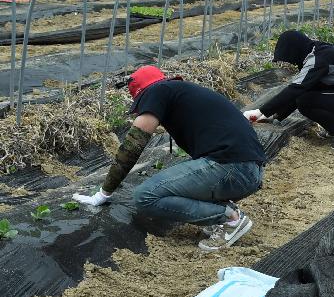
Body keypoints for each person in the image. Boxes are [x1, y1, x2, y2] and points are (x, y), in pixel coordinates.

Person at [73, 65, 265, 252]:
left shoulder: (156, 92)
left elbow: (131, 148)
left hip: (232, 168)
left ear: (142, 95)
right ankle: (224, 213)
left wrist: (103, 193)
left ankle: (229, 219)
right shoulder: (182, 93)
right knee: (174, 181)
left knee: (145, 196)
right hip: (248, 170)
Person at [242, 30, 334, 151]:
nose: (291, 62)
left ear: (295, 51)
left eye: (289, 58)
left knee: (305, 101)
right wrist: (275, 116)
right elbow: (304, 88)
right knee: (307, 96)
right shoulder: (320, 51)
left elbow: (296, 89)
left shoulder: (317, 59)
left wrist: (260, 111)